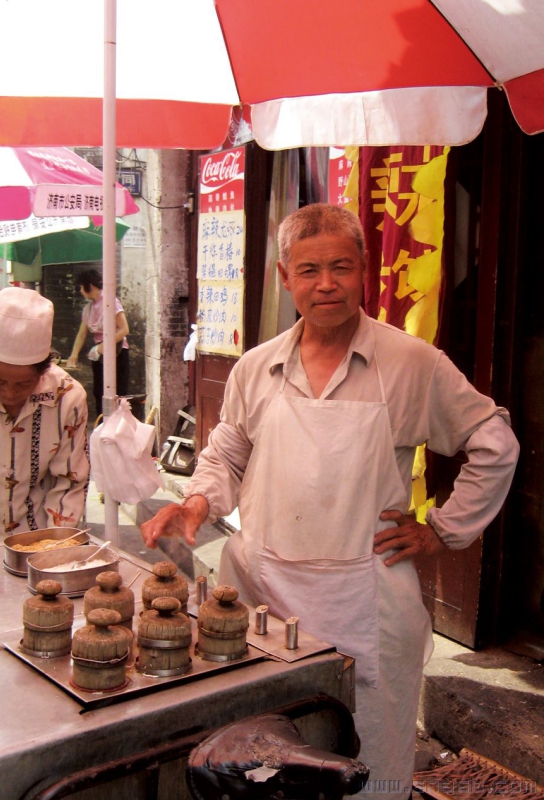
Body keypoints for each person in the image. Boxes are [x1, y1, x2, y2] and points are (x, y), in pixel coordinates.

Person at [140, 204, 520, 800]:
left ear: (364, 270)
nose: (326, 284)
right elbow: (227, 453)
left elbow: (494, 442)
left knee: (367, 766)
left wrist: (441, 529)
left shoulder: (411, 363)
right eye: (309, 270)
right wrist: (195, 504)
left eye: (341, 267)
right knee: (262, 763)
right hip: (261, 601)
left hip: (364, 606)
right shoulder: (256, 368)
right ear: (284, 277)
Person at [0, 286, 89, 547]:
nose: (10, 394)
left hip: (40, 536)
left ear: (44, 370)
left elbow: (69, 483)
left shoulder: (68, 398)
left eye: (23, 384)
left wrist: (55, 548)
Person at [66, 269, 129, 418]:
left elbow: (124, 329)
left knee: (118, 393)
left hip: (117, 352)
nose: (80, 291)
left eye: (82, 287)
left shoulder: (110, 302)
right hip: (99, 355)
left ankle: (118, 426)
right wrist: (74, 354)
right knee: (99, 392)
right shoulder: (88, 309)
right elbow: (82, 333)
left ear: (90, 286)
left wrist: (102, 347)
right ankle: (103, 424)